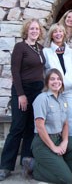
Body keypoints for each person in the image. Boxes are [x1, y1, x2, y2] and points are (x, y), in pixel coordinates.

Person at [22, 68, 72, 184]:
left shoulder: (62, 99)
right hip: (43, 143)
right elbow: (40, 127)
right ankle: (34, 168)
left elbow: (66, 123)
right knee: (67, 179)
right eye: (52, 79)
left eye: (59, 79)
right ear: (47, 82)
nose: (56, 81)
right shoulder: (42, 99)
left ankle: (60, 168)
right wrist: (53, 147)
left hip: (58, 138)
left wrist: (65, 141)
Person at [0, 19, 45, 181]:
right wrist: (20, 95)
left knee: (31, 128)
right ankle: (5, 166)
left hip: (38, 91)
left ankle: (27, 163)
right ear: (26, 30)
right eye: (32, 28)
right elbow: (15, 72)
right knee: (17, 127)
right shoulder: (20, 47)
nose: (34, 31)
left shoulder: (40, 48)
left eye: (37, 29)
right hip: (23, 90)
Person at [43, 23, 72, 137]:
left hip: (70, 91)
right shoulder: (46, 52)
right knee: (55, 120)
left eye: (60, 31)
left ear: (64, 34)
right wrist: (51, 84)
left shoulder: (70, 52)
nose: (58, 34)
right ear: (51, 35)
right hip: (54, 92)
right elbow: (43, 72)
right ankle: (58, 147)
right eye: (55, 32)